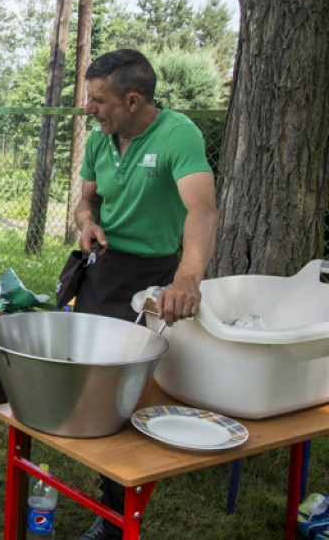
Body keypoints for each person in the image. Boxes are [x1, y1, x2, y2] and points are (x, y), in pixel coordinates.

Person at [72, 49, 218, 540]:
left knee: (132, 396)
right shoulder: (100, 136)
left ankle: (117, 516)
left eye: (98, 100)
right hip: (103, 269)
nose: (89, 109)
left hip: (154, 276)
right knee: (91, 383)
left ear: (133, 101)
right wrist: (87, 223)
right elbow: (87, 199)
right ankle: (105, 487)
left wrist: (187, 279)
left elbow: (202, 210)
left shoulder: (179, 134)